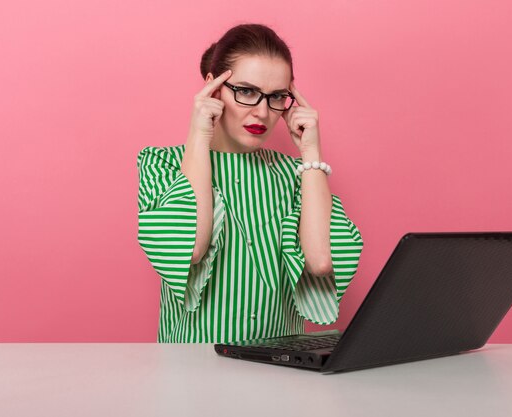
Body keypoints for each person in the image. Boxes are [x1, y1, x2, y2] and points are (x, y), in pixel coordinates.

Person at [136, 23, 364, 343]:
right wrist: (199, 133)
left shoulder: (298, 174)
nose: (261, 112)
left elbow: (320, 261)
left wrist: (311, 151)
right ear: (213, 89)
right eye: (246, 91)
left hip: (279, 373)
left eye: (277, 97)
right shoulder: (162, 163)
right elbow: (192, 248)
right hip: (195, 374)